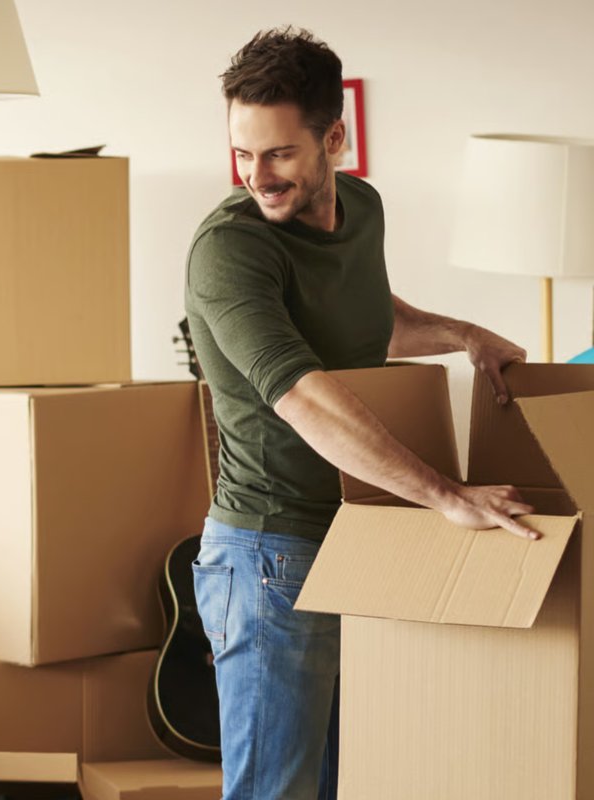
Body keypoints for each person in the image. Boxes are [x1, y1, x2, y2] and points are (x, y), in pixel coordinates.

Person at [183, 27, 537, 800]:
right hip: (270, 552)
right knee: (276, 792)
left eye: (277, 153)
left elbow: (366, 317)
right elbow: (303, 392)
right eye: (242, 153)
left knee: (353, 780)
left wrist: (463, 335)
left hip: (359, 536)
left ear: (333, 138)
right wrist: (447, 496)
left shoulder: (363, 209)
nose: (256, 176)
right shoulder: (230, 251)